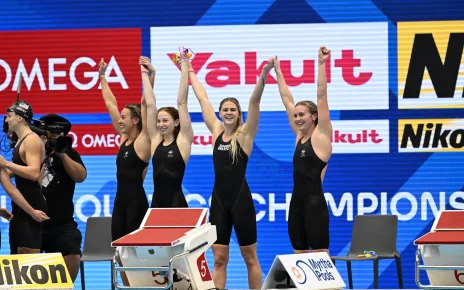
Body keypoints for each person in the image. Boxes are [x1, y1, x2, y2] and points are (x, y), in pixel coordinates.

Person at [190, 55, 274, 289]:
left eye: (233, 110)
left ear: (239, 114)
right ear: (220, 112)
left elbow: (255, 103)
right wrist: (188, 70)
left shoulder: (245, 135)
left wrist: (263, 75)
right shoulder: (216, 130)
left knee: (250, 258)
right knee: (218, 259)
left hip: (241, 202)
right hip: (218, 202)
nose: (228, 113)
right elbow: (201, 97)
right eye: (225, 109)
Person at [99, 58, 152, 286]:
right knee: (119, 255)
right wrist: (102, 76)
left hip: (136, 203)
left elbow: (147, 104)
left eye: (124, 116)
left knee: (137, 256)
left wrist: (148, 75)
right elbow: (110, 103)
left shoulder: (143, 142)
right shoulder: (123, 140)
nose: (119, 119)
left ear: (136, 120)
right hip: (120, 203)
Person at [275, 46, 333, 254]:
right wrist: (278, 72)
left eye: (302, 115)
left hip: (314, 205)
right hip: (296, 205)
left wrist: (321, 63)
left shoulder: (321, 136)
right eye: (296, 115)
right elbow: (287, 100)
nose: (297, 118)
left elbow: (322, 96)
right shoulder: (299, 136)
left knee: (319, 260)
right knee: (299, 258)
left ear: (314, 116)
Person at [140, 55, 193, 208]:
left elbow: (182, 102)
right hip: (156, 204)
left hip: (177, 204)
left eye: (165, 121)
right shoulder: (156, 140)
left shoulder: (183, 141)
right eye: (158, 121)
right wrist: (145, 74)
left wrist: (184, 70)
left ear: (176, 122)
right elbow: (150, 104)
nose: (160, 124)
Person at [39, 114, 87, 282]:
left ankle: (65, 286)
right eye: (51, 135)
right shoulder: (32, 151)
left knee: (72, 248)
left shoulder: (69, 153)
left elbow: (80, 177)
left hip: (61, 222)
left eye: (59, 135)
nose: (54, 139)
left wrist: (62, 153)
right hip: (33, 221)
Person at [0, 101, 49, 254]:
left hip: (31, 202)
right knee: (16, 256)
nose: (6, 120)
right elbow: (19, 172)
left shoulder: (31, 140)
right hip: (20, 204)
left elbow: (33, 173)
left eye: (9, 116)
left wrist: (6, 163)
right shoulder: (21, 141)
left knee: (29, 259)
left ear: (20, 118)